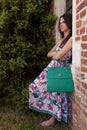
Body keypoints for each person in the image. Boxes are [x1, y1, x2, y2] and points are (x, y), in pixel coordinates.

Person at [28, 12, 72, 126]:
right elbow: (49, 54)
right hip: (52, 69)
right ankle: (52, 115)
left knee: (56, 93)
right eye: (60, 22)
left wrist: (57, 54)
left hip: (60, 71)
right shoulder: (61, 40)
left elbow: (56, 56)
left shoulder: (71, 39)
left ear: (69, 23)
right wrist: (58, 53)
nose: (61, 25)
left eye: (64, 22)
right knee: (34, 87)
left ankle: (53, 119)